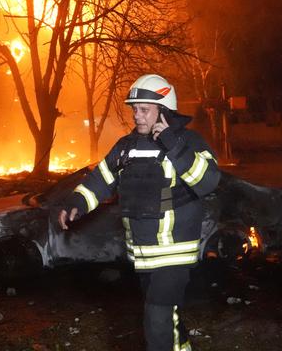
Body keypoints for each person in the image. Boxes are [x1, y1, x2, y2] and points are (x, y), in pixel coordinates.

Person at [59, 74, 220, 351]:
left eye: (144, 109)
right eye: (135, 109)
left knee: (157, 319)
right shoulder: (126, 147)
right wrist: (77, 201)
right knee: (166, 316)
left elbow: (207, 181)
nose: (137, 116)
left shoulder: (188, 142)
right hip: (143, 253)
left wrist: (172, 143)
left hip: (174, 252)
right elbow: (101, 179)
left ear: (164, 111)